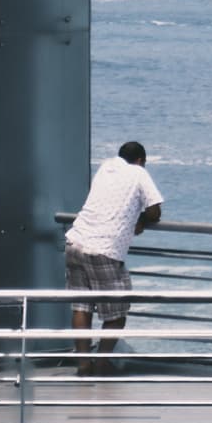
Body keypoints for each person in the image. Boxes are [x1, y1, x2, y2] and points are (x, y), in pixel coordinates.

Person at [61, 141, 167, 369]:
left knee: (81, 307)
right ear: (140, 160)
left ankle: (83, 364)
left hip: (75, 240)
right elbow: (155, 210)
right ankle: (102, 361)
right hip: (104, 248)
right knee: (118, 311)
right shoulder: (138, 172)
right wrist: (142, 221)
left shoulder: (106, 166)